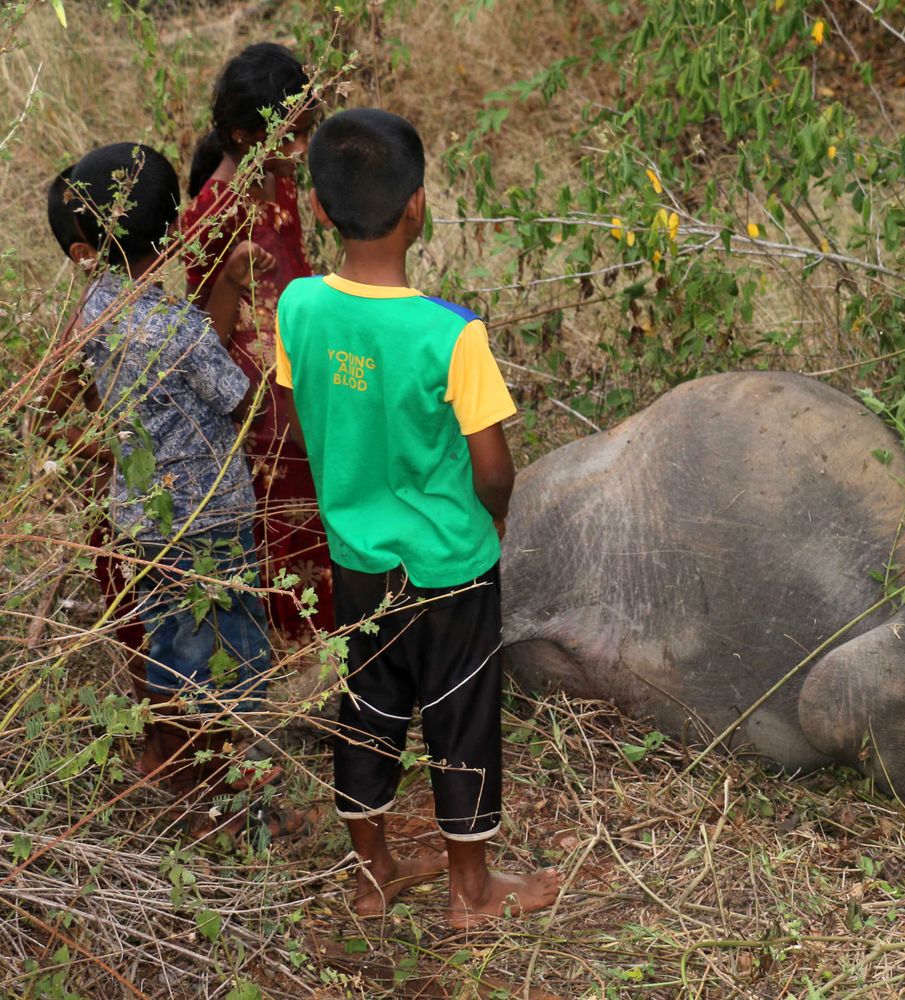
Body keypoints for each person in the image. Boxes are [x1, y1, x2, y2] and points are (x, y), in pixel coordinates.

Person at [275, 108, 560, 925]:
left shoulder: (300, 307)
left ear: (320, 211)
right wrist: (490, 523)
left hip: (358, 559)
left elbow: (296, 415)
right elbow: (494, 469)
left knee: (367, 711)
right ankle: (471, 893)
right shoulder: (451, 335)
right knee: (460, 715)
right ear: (418, 208)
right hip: (449, 568)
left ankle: (373, 876)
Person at [47, 142, 305, 839]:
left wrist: (220, 287)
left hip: (146, 523)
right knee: (231, 670)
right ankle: (230, 812)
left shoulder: (96, 311)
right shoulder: (173, 325)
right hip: (207, 523)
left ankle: (185, 789)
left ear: (81, 250)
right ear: (170, 232)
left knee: (174, 656)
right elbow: (230, 391)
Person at [180, 42, 334, 645]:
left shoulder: (277, 183)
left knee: (317, 522)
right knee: (283, 534)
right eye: (290, 137)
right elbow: (202, 337)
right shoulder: (211, 214)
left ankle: (325, 653)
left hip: (300, 381)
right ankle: (292, 664)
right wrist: (228, 282)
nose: (302, 151)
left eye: (306, 132)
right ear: (245, 136)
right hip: (257, 411)